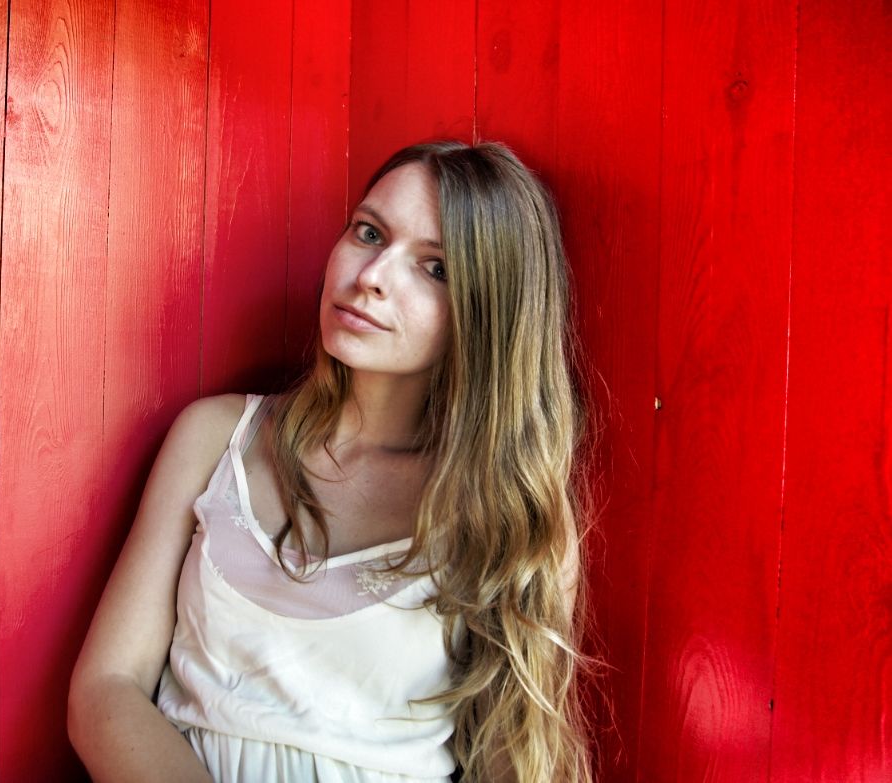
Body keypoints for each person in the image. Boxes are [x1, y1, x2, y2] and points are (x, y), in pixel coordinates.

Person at [68, 141, 595, 783]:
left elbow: (515, 760)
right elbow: (107, 687)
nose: (372, 275)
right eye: (369, 233)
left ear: (488, 313)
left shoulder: (508, 510)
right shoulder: (215, 438)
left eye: (435, 268)